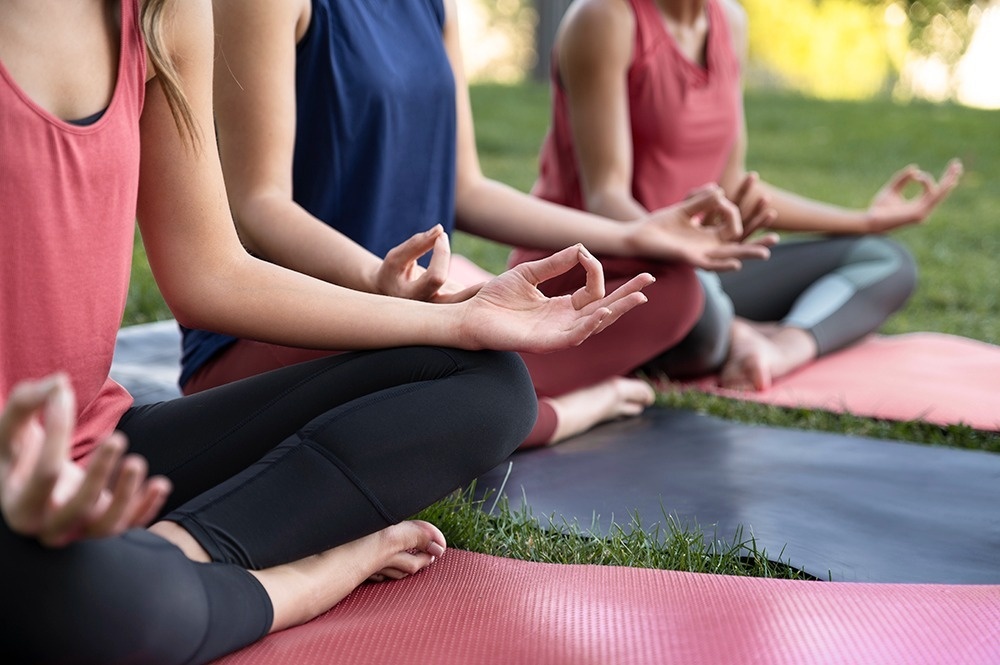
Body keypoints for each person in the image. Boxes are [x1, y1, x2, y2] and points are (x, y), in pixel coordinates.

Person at [0, 0, 653, 662]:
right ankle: (292, 575)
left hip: (100, 451)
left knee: (487, 383)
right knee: (95, 606)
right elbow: (261, 208)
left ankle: (167, 554)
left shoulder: (163, 11)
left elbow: (212, 274)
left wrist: (453, 319)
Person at [181, 0, 777, 448]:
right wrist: (379, 282)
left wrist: (634, 236)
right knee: (472, 377)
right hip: (286, 324)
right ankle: (569, 409)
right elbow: (258, 205)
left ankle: (513, 392)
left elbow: (467, 189)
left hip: (415, 315)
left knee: (666, 292)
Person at [526, 0, 964, 390]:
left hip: (700, 266)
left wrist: (865, 221)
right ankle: (739, 332)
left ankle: (781, 350)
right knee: (697, 311)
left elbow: (733, 185)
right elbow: (606, 196)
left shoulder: (729, 20)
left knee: (886, 261)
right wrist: (685, 254)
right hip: (605, 277)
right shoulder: (605, 18)